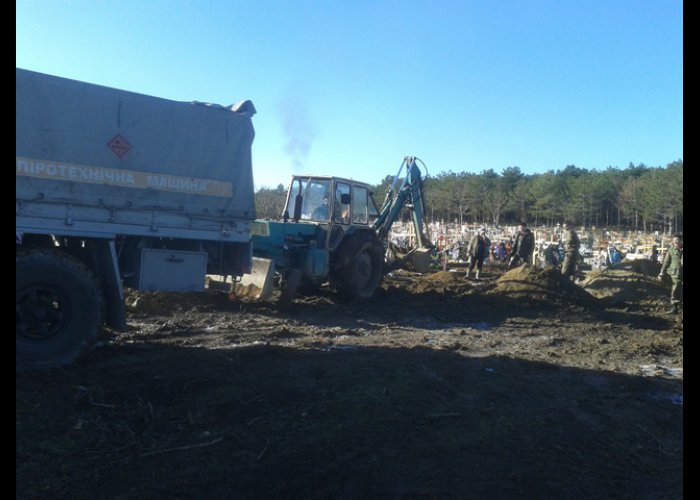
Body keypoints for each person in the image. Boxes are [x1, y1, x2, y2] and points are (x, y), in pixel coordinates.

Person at [657, 234, 683, 314]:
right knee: (675, 290)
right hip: (675, 274)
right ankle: (675, 307)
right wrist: (662, 273)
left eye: (678, 241)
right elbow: (666, 262)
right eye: (675, 241)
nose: (676, 242)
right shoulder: (671, 250)